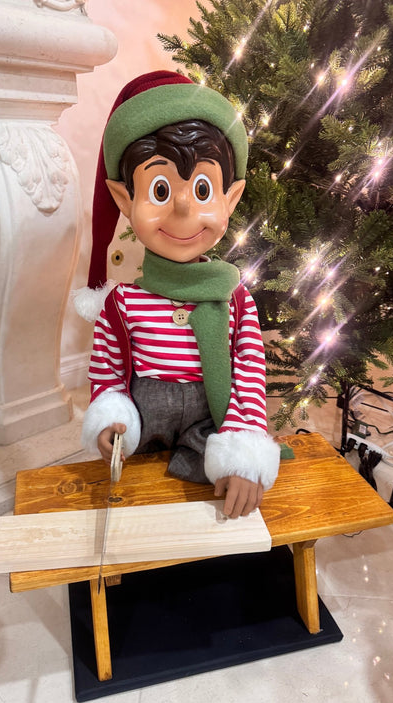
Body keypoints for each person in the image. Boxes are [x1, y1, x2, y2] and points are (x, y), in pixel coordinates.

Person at [74, 71, 280, 518]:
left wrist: (242, 449)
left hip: (211, 424)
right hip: (143, 427)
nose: (183, 207)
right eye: (161, 189)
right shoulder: (122, 303)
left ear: (231, 198)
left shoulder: (235, 299)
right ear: (124, 200)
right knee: (136, 504)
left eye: (203, 188)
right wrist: (111, 418)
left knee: (212, 507)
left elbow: (248, 372)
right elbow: (108, 372)